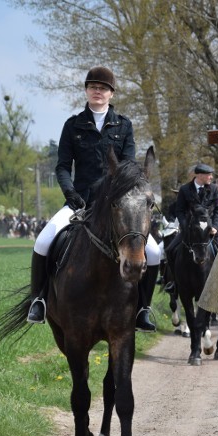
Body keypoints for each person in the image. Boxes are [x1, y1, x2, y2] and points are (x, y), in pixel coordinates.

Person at [27, 66, 136, 323]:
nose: (98, 91)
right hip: (80, 201)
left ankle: (142, 308)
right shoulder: (73, 125)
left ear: (111, 93)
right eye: (93, 87)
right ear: (86, 91)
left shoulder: (124, 126)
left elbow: (129, 168)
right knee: (43, 241)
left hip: (114, 205)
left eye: (103, 88)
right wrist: (71, 193)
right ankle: (39, 300)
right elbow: (63, 166)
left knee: (152, 251)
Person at [168, 163, 218, 256]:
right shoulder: (184, 189)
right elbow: (179, 211)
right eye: (209, 175)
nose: (211, 177)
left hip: (210, 229)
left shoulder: (214, 188)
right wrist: (186, 227)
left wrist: (215, 226)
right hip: (190, 230)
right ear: (200, 175)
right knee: (170, 250)